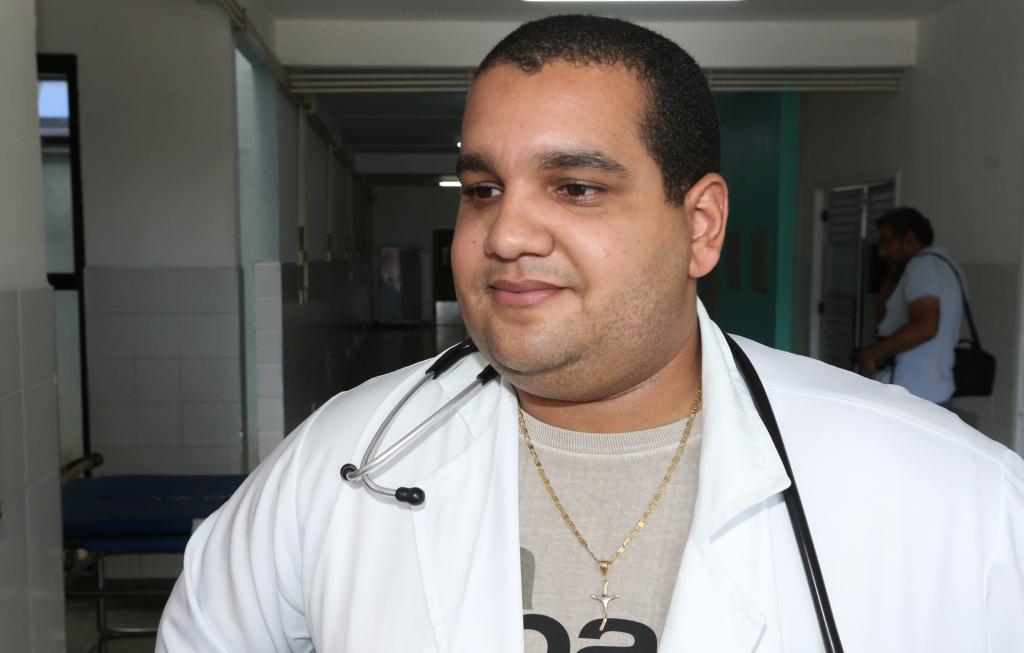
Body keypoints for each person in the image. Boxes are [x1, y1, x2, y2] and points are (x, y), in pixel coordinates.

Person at [156, 15, 1024, 653]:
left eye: (575, 187)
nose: (504, 233)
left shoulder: (952, 497)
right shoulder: (342, 461)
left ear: (700, 227)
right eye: (483, 189)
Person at [857, 207, 965, 407]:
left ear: (909, 239)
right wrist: (893, 271)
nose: (881, 252)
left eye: (886, 242)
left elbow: (926, 326)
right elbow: (884, 315)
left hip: (909, 395)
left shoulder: (921, 266)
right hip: (937, 391)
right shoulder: (948, 265)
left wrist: (873, 353)